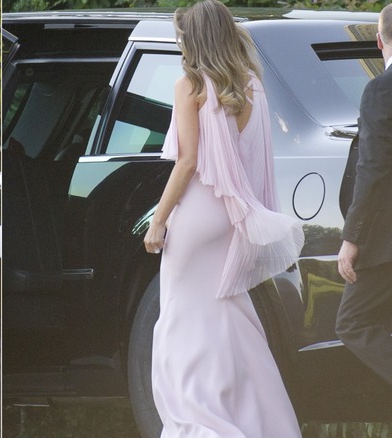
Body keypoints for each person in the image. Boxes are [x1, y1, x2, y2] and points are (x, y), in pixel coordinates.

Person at [142, 0, 304, 435]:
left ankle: (199, 424)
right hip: (230, 217)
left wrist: (159, 219)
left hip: (196, 215)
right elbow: (253, 162)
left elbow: (188, 161)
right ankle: (263, 423)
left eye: (181, 38)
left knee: (179, 319)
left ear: (194, 39)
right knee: (229, 317)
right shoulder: (252, 86)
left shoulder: (190, 85)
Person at [336, 4, 392, 387]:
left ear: (379, 41)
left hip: (386, 239)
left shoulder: (380, 91)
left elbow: (373, 169)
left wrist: (352, 236)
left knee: (352, 322)